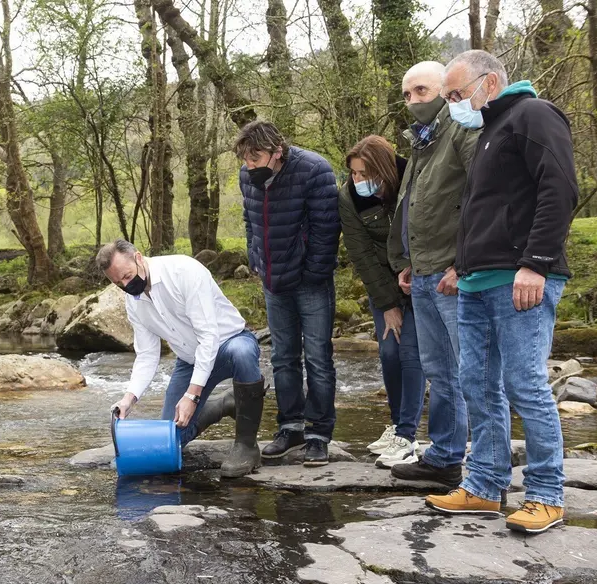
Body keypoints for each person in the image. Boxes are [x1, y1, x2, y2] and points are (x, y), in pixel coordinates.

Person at [426, 51, 578, 534]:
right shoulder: (487, 131)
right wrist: (459, 265)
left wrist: (537, 263)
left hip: (520, 281)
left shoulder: (533, 114)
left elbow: (560, 188)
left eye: (455, 94)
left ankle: (546, 495)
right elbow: (487, 211)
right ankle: (485, 488)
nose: (452, 104)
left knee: (525, 384)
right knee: (477, 385)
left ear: (488, 83)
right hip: (476, 282)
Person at [386, 61, 481, 485]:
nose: (413, 101)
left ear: (445, 90)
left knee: (470, 370)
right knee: (438, 370)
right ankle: (443, 456)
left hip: (453, 273)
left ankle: (483, 465)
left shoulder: (462, 130)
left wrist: (463, 264)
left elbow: (484, 196)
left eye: (421, 91)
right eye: (407, 95)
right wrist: (406, 261)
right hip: (422, 272)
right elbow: (414, 204)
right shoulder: (421, 141)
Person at [101, 240, 265, 478]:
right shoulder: (133, 302)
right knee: (170, 441)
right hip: (189, 361)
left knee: (243, 353)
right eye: (118, 283)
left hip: (228, 344)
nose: (126, 285)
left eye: (127, 276)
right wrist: (129, 398)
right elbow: (147, 354)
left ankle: (247, 446)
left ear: (138, 258)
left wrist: (191, 395)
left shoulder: (184, 271)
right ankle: (223, 405)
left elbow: (209, 337)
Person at [236, 119, 340, 468]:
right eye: (246, 159)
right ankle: (290, 426)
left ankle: (318, 434)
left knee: (318, 359)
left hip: (311, 283)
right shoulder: (246, 176)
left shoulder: (314, 170)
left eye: (256, 158)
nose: (249, 167)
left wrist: (312, 273)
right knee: (282, 357)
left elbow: (327, 231)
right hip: (272, 281)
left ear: (277, 151)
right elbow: (251, 222)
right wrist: (256, 260)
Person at [338, 136, 426, 469]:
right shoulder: (348, 197)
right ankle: (396, 425)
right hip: (383, 285)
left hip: (420, 280)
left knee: (411, 352)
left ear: (384, 169)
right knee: (389, 351)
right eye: (354, 173)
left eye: (364, 173)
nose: (358, 180)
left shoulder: (413, 177)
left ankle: (407, 435)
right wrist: (388, 303)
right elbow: (359, 253)